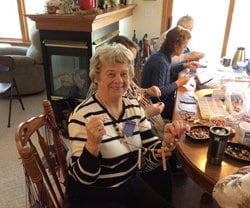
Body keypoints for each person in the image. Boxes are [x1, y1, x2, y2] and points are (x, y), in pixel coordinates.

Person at [66, 43, 185, 208]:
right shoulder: (82, 116)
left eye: (124, 73)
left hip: (130, 184)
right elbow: (84, 178)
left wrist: (164, 145)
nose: (119, 80)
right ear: (96, 77)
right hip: (98, 195)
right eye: (111, 74)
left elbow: (143, 149)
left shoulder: (132, 107)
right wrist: (92, 146)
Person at [141, 26, 201, 121]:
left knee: (188, 105)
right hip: (156, 106)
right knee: (186, 112)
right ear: (176, 45)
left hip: (159, 102)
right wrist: (178, 83)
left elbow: (168, 72)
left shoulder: (163, 56)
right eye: (184, 46)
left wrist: (185, 65)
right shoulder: (160, 61)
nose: (185, 49)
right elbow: (159, 92)